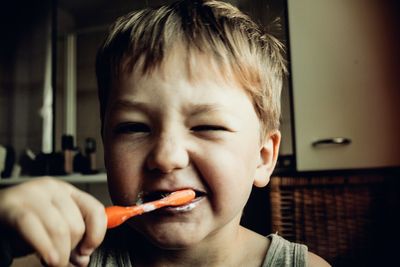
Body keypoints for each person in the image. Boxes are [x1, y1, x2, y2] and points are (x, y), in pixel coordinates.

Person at [0, 0, 330, 266]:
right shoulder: (60, 260)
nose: (166, 156)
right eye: (134, 128)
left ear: (263, 158)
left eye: (207, 126)